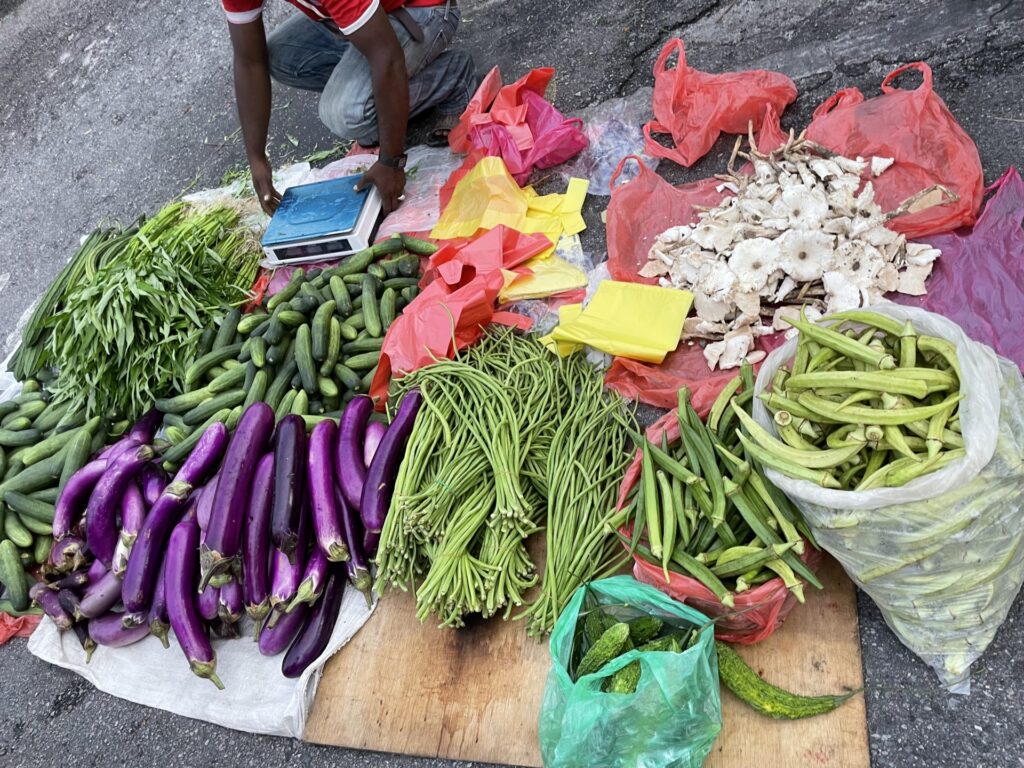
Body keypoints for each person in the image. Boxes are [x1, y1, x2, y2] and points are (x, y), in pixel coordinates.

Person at [222, 0, 477, 215]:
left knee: (348, 114)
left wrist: (391, 161)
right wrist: (256, 158)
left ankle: (453, 75)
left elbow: (386, 56)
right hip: (368, 18)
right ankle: (378, 90)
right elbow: (249, 60)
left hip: (424, 11)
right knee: (279, 57)